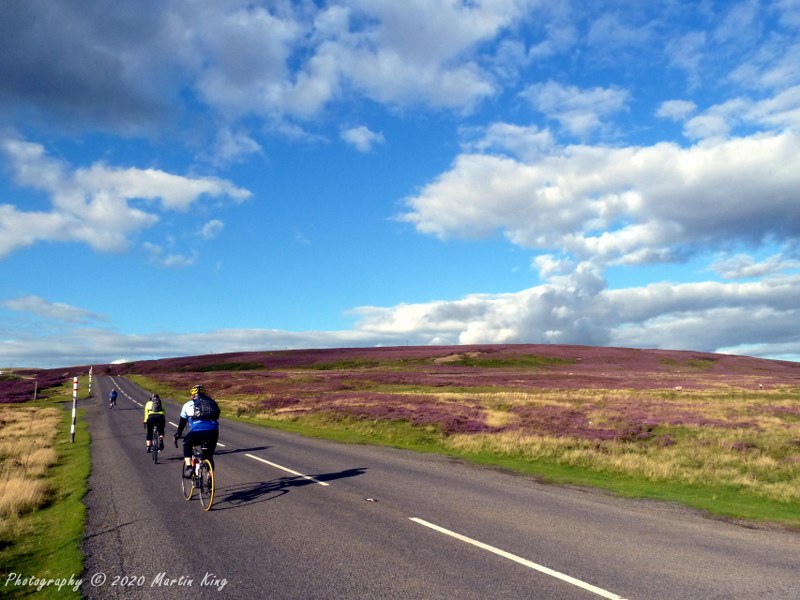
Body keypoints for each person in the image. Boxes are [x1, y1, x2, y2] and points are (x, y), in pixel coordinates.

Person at [173, 384, 220, 478]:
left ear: (192, 396)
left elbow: (182, 424)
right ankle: (210, 480)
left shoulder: (187, 405)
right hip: (213, 431)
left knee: (187, 443)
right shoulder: (211, 402)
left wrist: (178, 434)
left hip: (197, 432)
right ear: (204, 393)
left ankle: (189, 467)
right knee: (208, 456)